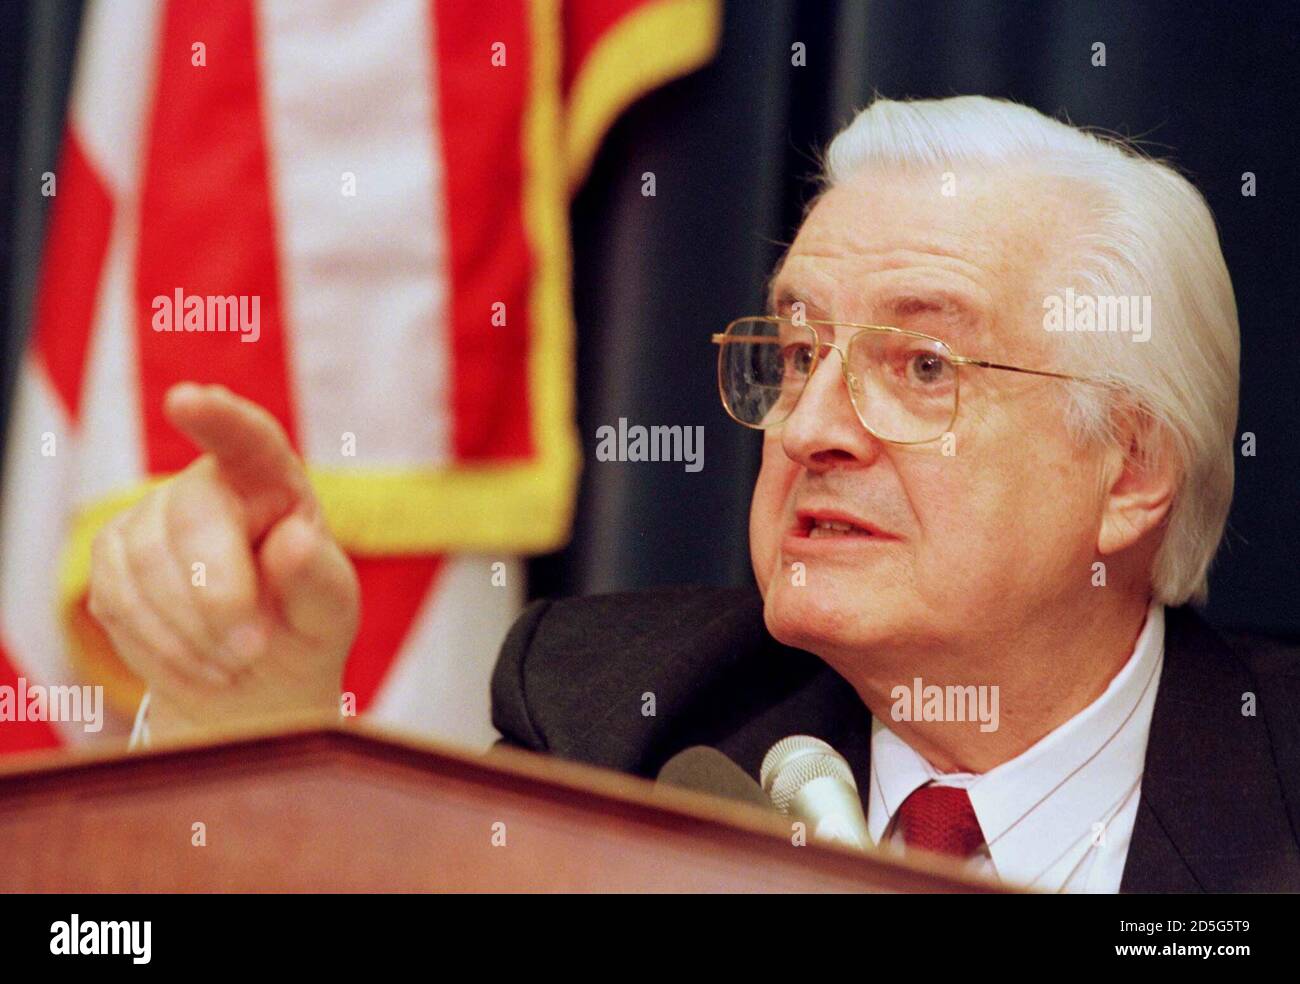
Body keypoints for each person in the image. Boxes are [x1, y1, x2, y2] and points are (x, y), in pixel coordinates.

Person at [88, 96, 1300, 892]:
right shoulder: (614, 726)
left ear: (1129, 472)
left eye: (922, 367)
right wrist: (245, 742)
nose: (811, 425)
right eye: (797, 352)